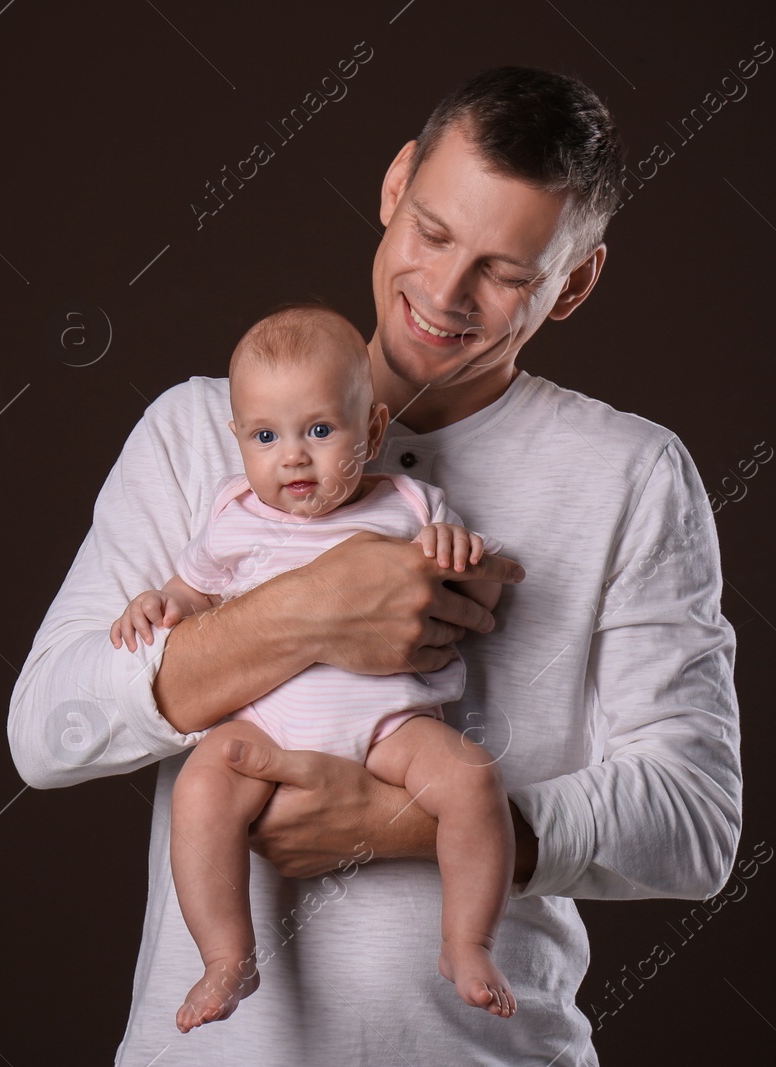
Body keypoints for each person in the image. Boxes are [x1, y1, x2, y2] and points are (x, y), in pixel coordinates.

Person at [8, 66, 742, 1066]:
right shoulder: (195, 434)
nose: (443, 295)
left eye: (504, 271)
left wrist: (398, 822)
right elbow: (44, 732)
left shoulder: (631, 475)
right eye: (434, 233)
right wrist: (306, 611)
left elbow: (694, 821)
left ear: (572, 284)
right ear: (395, 186)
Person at [109, 304, 516, 1032]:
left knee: (472, 781)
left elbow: (479, 595)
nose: (292, 456)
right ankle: (227, 953)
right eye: (266, 436)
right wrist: (154, 603)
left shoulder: (410, 503)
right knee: (202, 790)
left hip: (391, 723)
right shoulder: (235, 516)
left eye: (319, 430)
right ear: (239, 441)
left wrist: (462, 553)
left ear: (374, 430)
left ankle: (467, 942)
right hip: (268, 725)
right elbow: (191, 591)